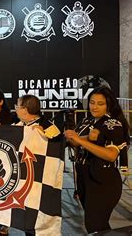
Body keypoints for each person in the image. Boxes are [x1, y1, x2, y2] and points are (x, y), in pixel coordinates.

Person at [64, 86, 129, 233]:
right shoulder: (87, 120)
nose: (94, 106)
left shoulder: (112, 124)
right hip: (84, 177)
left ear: (108, 105)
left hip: (103, 180)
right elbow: (77, 142)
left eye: (100, 103)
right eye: (92, 102)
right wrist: (68, 136)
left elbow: (111, 155)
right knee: (97, 226)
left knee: (95, 225)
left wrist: (80, 141)